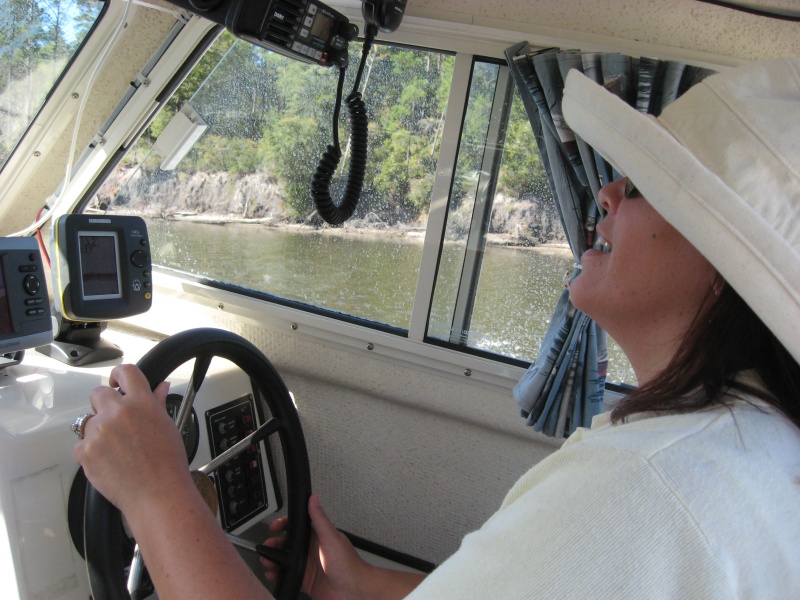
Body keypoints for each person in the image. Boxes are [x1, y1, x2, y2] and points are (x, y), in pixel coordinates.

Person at [74, 57, 800, 599]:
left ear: (721, 263)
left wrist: (158, 492)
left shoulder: (648, 487)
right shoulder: (747, 448)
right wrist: (359, 582)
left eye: (641, 187)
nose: (605, 192)